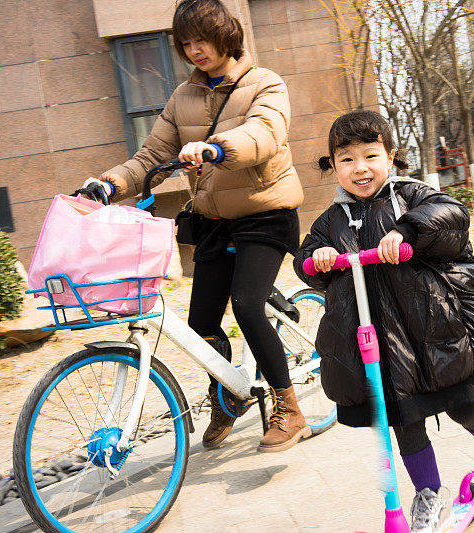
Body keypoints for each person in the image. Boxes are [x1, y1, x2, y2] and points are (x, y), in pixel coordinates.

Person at [83, 0, 309, 453]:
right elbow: (150, 156)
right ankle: (227, 394)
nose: (194, 50)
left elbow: (264, 134)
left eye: (201, 39)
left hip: (265, 213)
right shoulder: (182, 97)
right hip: (213, 221)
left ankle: (291, 408)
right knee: (201, 322)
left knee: (246, 306)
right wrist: (110, 184)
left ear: (226, 36)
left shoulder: (266, 83)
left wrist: (215, 148)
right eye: (185, 43)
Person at [293, 110, 474, 533]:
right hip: (383, 345)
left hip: (434, 333)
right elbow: (306, 262)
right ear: (333, 166)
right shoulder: (331, 221)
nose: (359, 168)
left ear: (390, 155)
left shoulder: (412, 197)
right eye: (346, 159)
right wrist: (318, 260)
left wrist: (407, 232)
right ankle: (429, 494)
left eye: (370, 155)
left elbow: (450, 216)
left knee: (466, 407)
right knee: (405, 421)